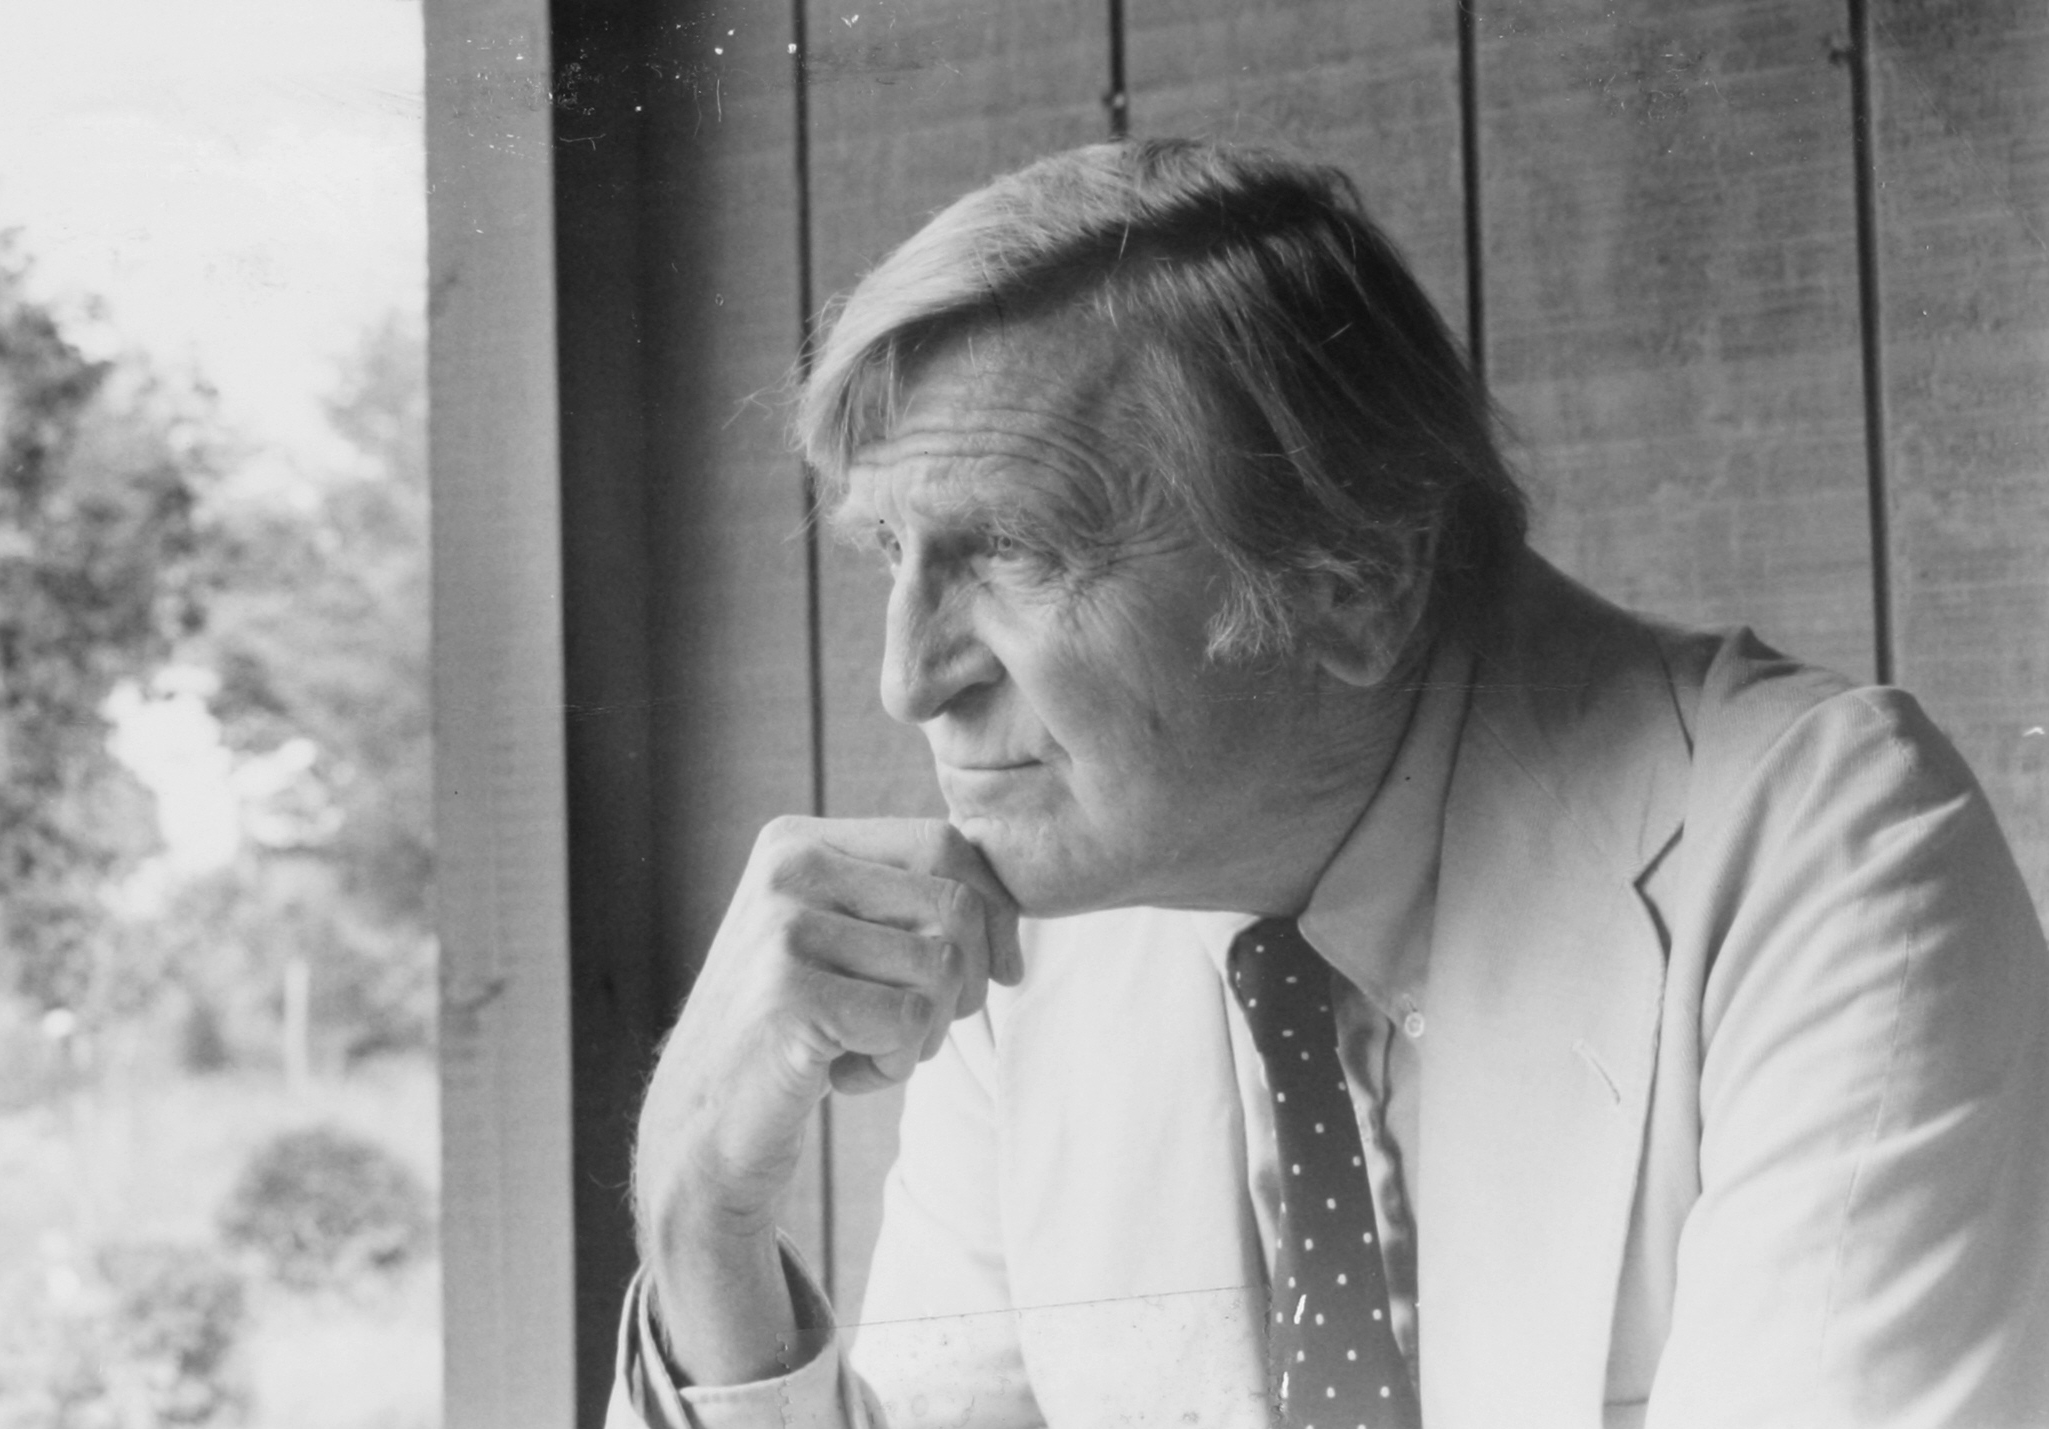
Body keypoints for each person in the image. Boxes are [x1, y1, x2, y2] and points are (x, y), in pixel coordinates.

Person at [609, 139, 2049, 1428]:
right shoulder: (1034, 933)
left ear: (1354, 580)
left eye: (1017, 549)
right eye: (890, 553)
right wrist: (699, 1216)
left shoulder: (1823, 841)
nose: (907, 679)